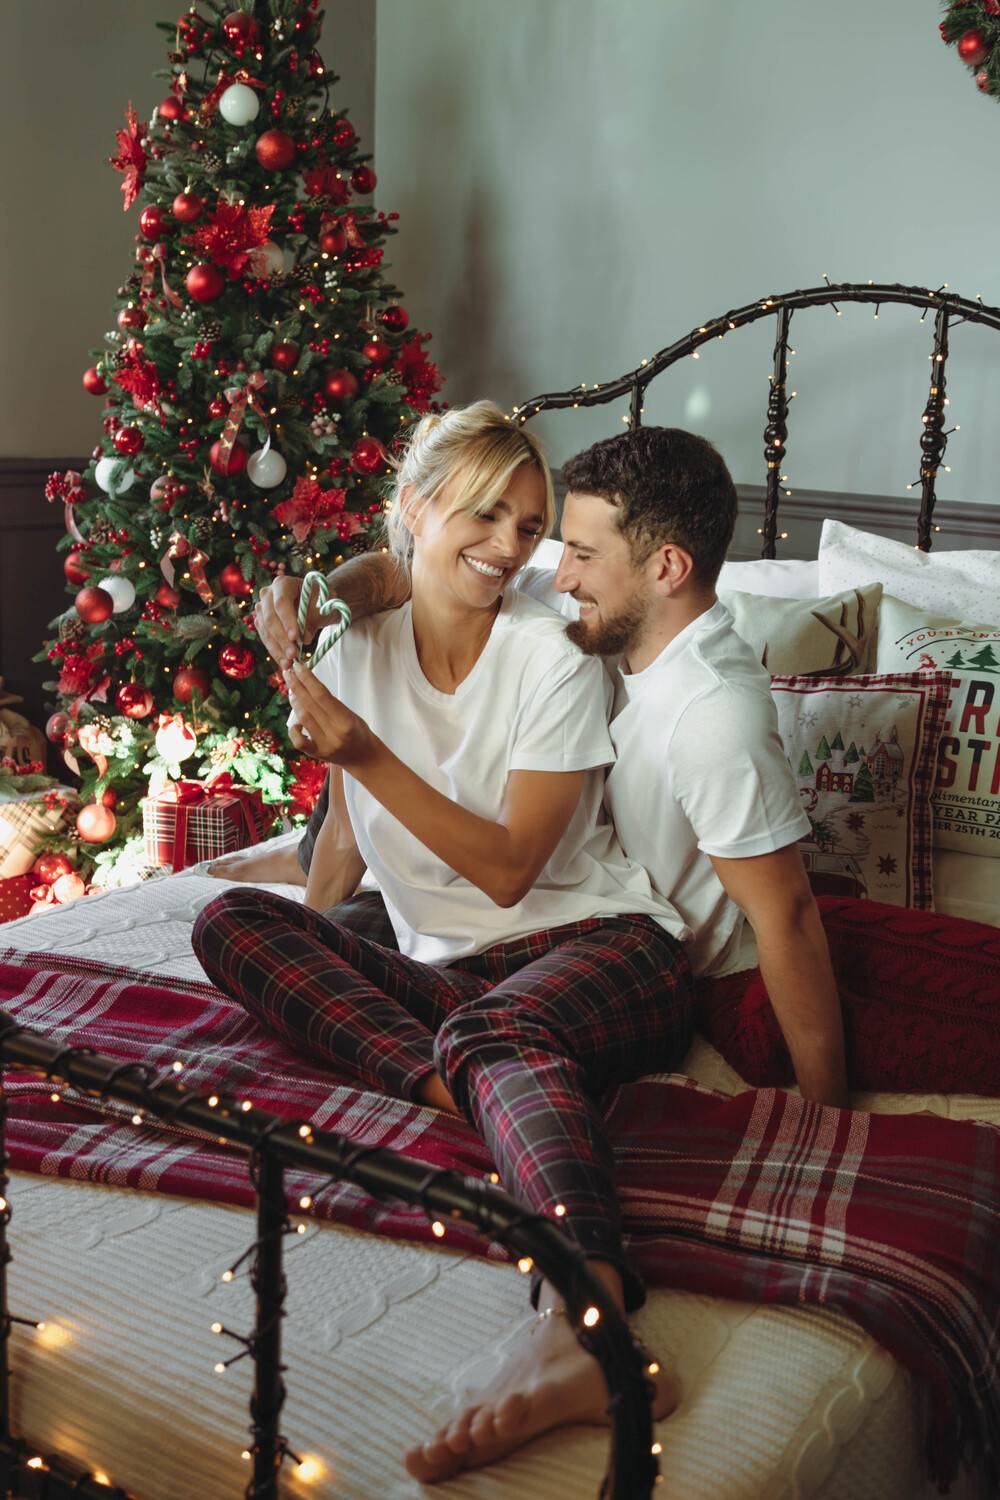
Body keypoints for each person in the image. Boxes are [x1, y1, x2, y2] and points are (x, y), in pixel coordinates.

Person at [195, 402, 695, 1483]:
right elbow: (343, 847)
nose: (511, 546)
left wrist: (365, 754)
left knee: (494, 1029)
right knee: (230, 920)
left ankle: (588, 1322)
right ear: (415, 508)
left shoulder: (552, 656)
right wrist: (315, 946)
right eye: (485, 514)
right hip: (455, 982)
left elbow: (509, 869)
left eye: (531, 525)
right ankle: (465, 1083)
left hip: (603, 944)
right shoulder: (353, 643)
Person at [249, 425, 849, 1108]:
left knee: (477, 1020)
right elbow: (409, 569)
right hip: (491, 944)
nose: (555, 573)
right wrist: (320, 597)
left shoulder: (714, 717)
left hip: (625, 955)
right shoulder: (590, 603)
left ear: (666, 569)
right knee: (247, 924)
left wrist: (829, 1115)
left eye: (581, 555)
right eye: (555, 544)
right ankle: (458, 1067)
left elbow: (787, 917)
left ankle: (467, 1055)